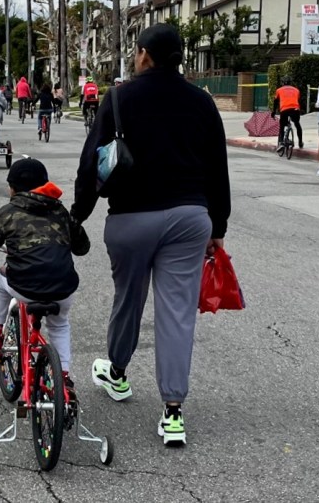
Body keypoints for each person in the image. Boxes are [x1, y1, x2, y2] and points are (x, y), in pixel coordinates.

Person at [72, 24, 230, 448]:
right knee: (176, 312)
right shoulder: (201, 102)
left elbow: (93, 162)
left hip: (130, 218)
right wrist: (218, 227)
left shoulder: (119, 98)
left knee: (129, 296)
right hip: (190, 216)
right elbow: (218, 168)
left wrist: (78, 215)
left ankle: (118, 373)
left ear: (143, 54)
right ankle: (173, 413)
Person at [0, 158, 89, 400]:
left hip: (24, 287)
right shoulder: (60, 210)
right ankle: (63, 380)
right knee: (60, 325)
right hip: (64, 288)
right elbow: (82, 247)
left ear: (12, 188)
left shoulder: (8, 213)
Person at [271, 77, 304, 148]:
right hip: (295, 109)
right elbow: (299, 101)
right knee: (297, 124)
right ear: (291, 83)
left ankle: (281, 142)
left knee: (282, 126)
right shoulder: (296, 90)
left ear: (282, 83)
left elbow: (275, 101)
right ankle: (300, 142)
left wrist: (273, 112)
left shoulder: (279, 90)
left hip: (284, 109)